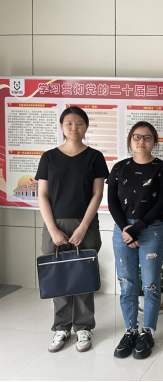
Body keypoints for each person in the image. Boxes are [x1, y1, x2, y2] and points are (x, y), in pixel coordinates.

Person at [36, 106, 109, 353]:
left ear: (86, 126)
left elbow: (97, 194)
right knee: (58, 275)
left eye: (79, 123)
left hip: (85, 223)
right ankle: (61, 327)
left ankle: (84, 327)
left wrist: (83, 226)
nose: (74, 127)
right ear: (61, 127)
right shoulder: (49, 157)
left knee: (83, 275)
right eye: (69, 123)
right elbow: (42, 195)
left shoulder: (94, 157)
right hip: (54, 224)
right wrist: (52, 229)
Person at [108, 121, 163, 360]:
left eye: (147, 137)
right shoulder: (119, 168)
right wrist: (126, 229)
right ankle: (130, 331)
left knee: (150, 284)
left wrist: (137, 229)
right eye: (137, 137)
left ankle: (147, 332)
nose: (141, 141)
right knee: (126, 283)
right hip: (122, 229)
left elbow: (162, 203)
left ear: (154, 141)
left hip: (150, 229)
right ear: (130, 140)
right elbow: (112, 202)